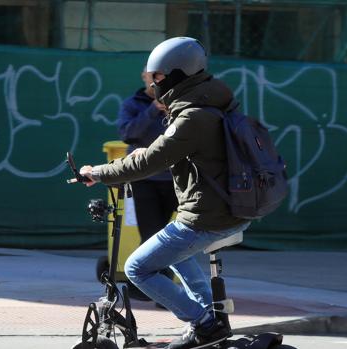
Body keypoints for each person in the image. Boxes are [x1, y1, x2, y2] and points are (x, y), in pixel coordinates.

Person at [79, 37, 251, 349]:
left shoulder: (192, 115)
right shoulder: (216, 103)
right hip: (232, 210)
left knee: (136, 268)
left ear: (177, 74)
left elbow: (149, 162)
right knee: (175, 254)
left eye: (158, 77)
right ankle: (211, 318)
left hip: (207, 217)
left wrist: (97, 172)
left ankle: (204, 324)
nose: (154, 83)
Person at [117, 68, 179, 303]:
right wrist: (153, 110)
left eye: (159, 77)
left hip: (176, 179)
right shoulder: (133, 104)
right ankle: (156, 288)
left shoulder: (178, 103)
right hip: (145, 180)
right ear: (144, 77)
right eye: (150, 76)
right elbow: (128, 133)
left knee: (178, 235)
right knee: (152, 235)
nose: (155, 82)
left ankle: (166, 288)